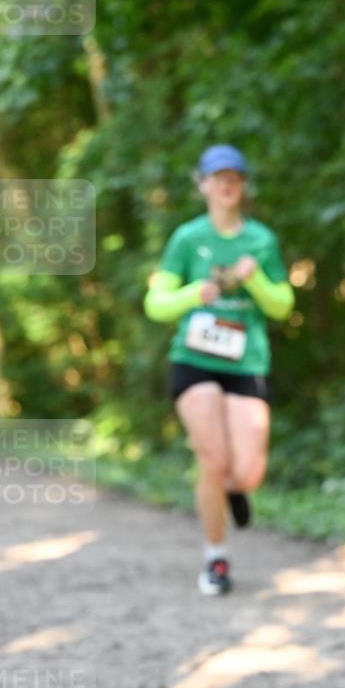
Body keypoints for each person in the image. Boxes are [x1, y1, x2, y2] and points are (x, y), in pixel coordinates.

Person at [144, 144, 295, 595]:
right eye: (219, 176)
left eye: (236, 177)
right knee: (212, 458)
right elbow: (155, 304)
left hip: (247, 362)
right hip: (193, 360)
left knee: (245, 472)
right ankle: (216, 559)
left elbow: (284, 306)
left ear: (243, 186)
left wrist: (255, 279)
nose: (228, 184)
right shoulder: (187, 239)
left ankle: (235, 488)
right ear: (203, 183)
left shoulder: (261, 240)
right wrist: (194, 294)